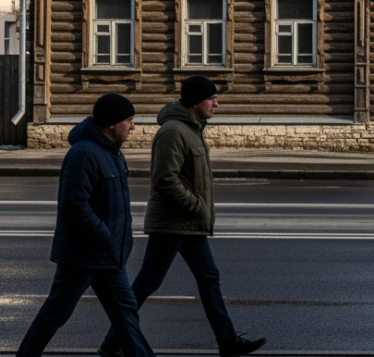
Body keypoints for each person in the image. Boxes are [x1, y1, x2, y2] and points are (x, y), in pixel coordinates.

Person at [98, 76, 265, 357]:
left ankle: (227, 341)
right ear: (196, 102)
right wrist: (197, 206)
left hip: (187, 223)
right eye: (212, 98)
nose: (217, 104)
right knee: (148, 283)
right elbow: (165, 179)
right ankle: (112, 341)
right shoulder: (174, 131)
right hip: (172, 223)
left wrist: (196, 209)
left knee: (208, 278)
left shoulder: (191, 129)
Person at [17, 94, 156, 357]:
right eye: (129, 120)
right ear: (112, 124)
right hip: (83, 255)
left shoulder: (111, 151)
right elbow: (74, 205)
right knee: (55, 315)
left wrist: (114, 242)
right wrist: (104, 235)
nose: (133, 126)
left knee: (127, 317)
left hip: (107, 256)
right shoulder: (84, 154)